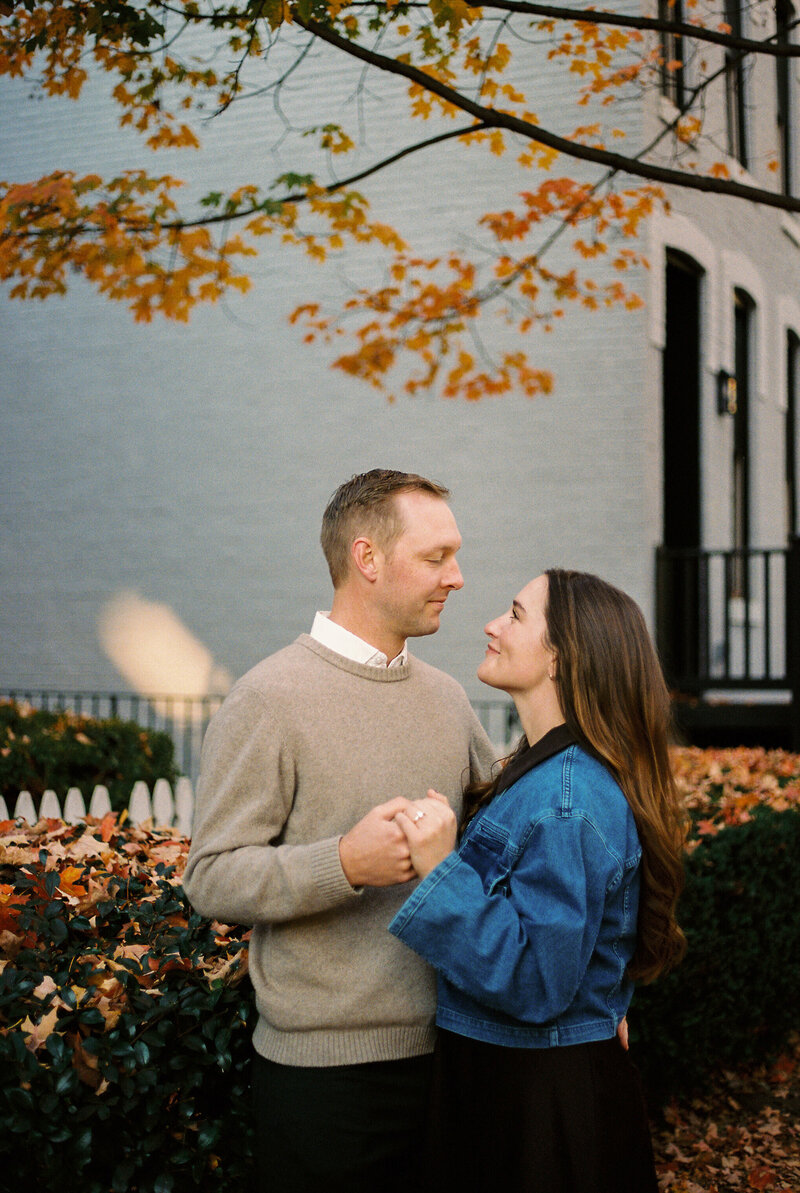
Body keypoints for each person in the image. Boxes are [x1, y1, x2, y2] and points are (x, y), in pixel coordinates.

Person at [182, 469, 495, 1193]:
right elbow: (211, 876)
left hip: (454, 1057)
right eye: (437, 557)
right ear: (367, 558)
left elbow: (506, 852)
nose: (457, 577)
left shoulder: (449, 700)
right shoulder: (268, 699)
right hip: (323, 1086)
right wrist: (345, 863)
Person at [389, 568, 687, 1193]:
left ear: (560, 658)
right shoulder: (546, 768)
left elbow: (539, 981)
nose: (492, 625)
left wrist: (441, 869)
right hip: (524, 1080)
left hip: (535, 1104)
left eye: (517, 615)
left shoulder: (565, 799)